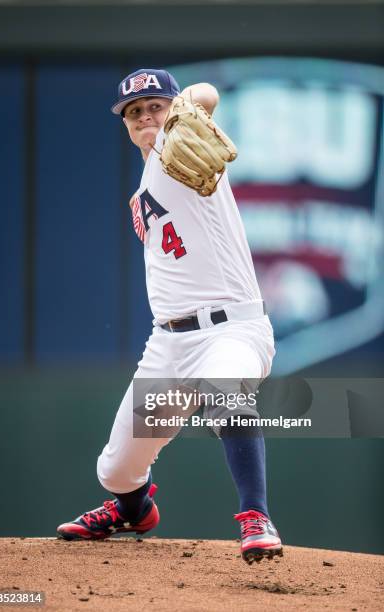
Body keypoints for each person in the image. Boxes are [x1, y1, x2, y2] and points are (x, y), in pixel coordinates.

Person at [57, 68, 283, 564]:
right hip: (170, 345)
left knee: (227, 390)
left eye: (154, 105)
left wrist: (185, 107)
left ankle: (255, 515)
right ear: (125, 125)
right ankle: (133, 510)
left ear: (172, 108)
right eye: (135, 112)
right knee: (115, 471)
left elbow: (207, 94)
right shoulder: (142, 187)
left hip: (233, 329)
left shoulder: (180, 145)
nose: (145, 116)